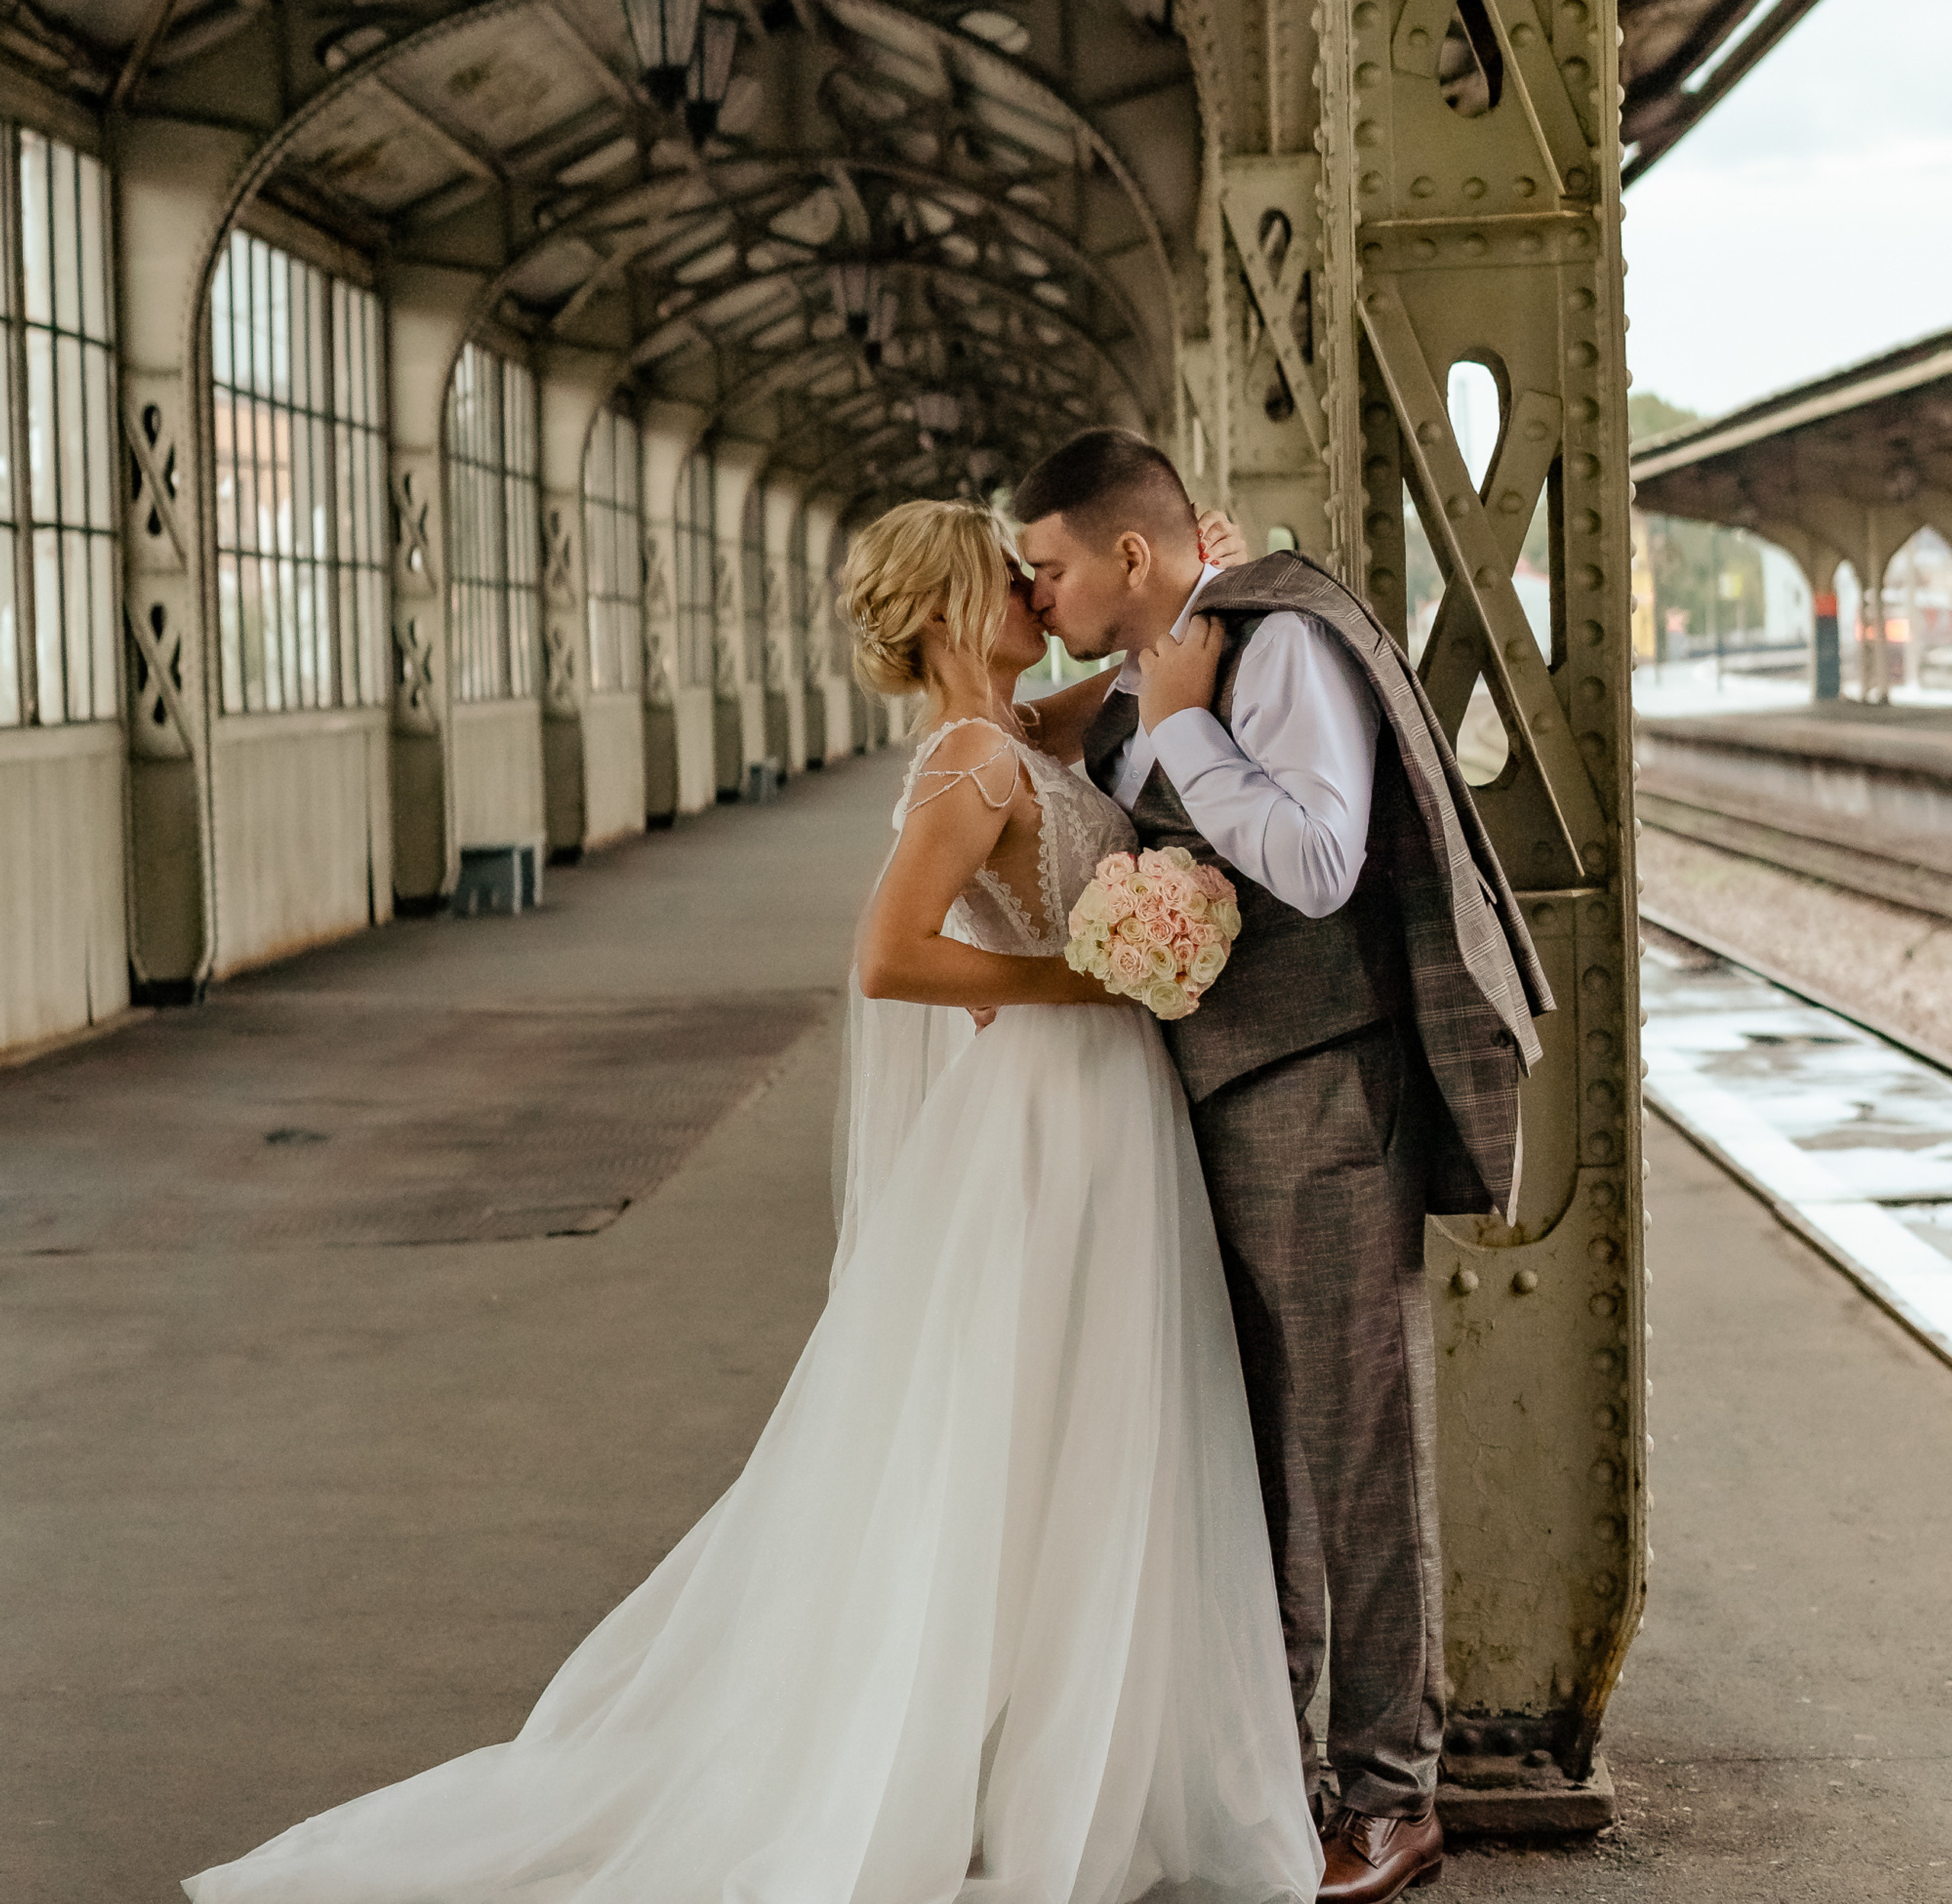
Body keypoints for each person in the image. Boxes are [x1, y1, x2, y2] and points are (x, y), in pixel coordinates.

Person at [182, 499, 1324, 1904]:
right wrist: (1080, 982)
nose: (1039, 592)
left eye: (1042, 574)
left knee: (1063, 1423)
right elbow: (888, 960)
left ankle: (1044, 1749)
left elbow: (1135, 669)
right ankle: (1013, 1762)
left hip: (1092, 1107)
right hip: (1055, 1107)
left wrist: (1195, 573)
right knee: (1033, 1419)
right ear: (955, 610)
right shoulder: (972, 761)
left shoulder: (1010, 737)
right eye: (1012, 579)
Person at [1013, 429, 1552, 1904]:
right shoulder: (1159, 654)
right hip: (1214, 1094)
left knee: (1351, 1442)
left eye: (1048, 568)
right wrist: (1135, 685)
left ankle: (1394, 1795)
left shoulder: (1275, 651)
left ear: (1130, 552)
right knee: (1254, 1445)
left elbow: (1319, 860)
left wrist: (1185, 721)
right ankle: (1283, 1771)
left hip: (1315, 1092)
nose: (1034, 593)